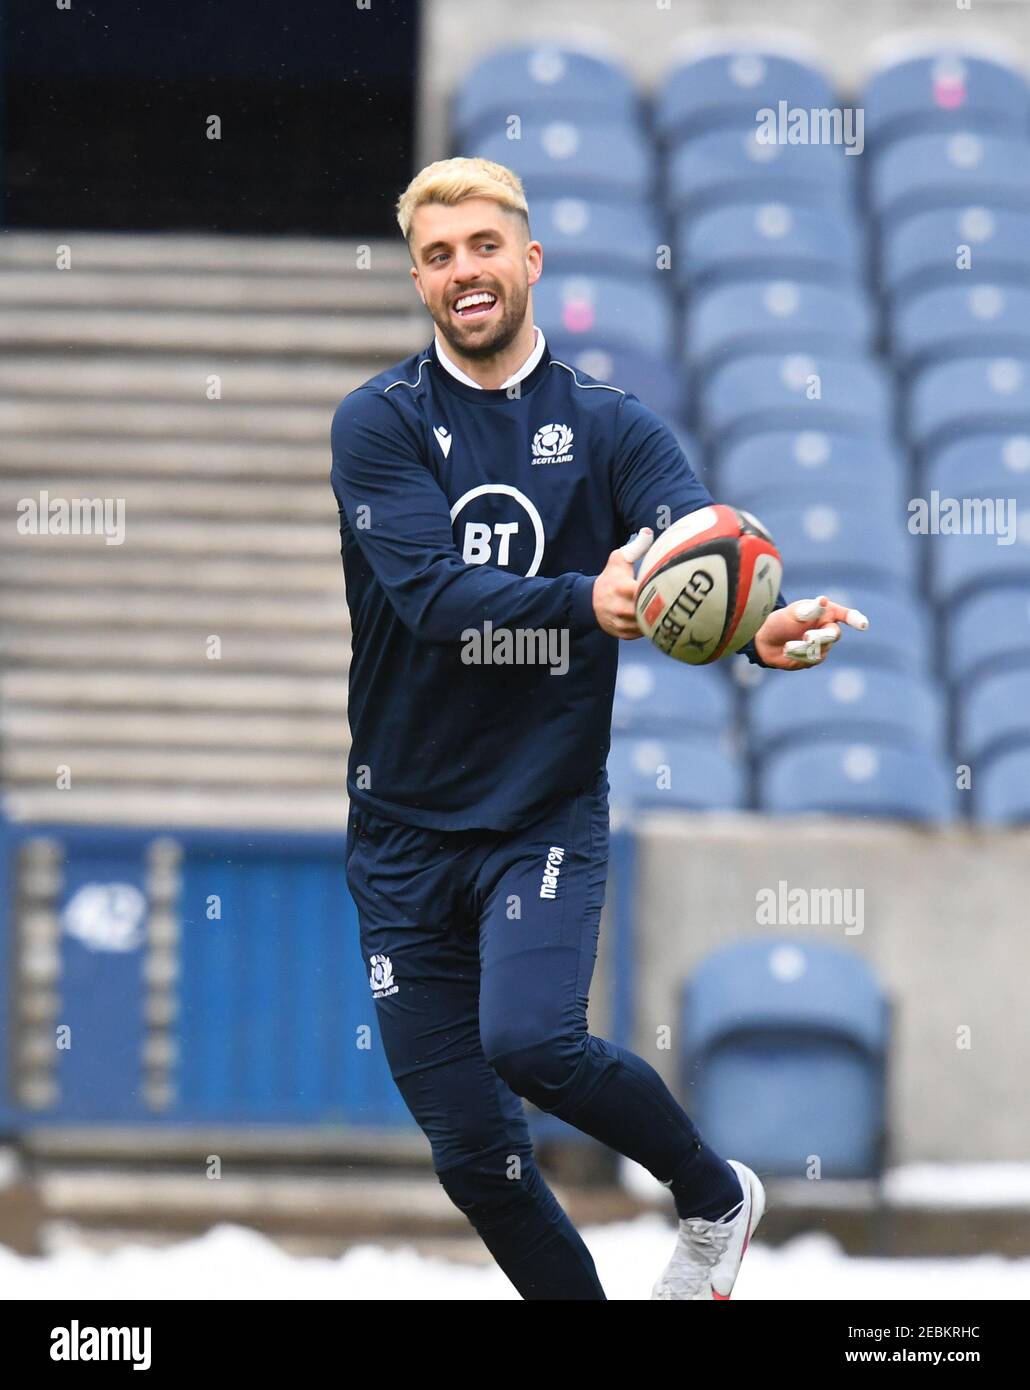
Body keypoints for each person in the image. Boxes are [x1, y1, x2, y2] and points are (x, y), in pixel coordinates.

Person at [329, 156, 867, 1299]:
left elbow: (701, 557)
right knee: (475, 1158)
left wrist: (751, 630)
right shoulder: (374, 424)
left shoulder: (612, 431)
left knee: (529, 1041)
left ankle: (715, 1193)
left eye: (483, 247)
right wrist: (585, 600)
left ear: (528, 261)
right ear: (420, 281)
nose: (462, 272)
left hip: (540, 811)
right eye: (437, 256)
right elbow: (429, 600)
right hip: (398, 836)